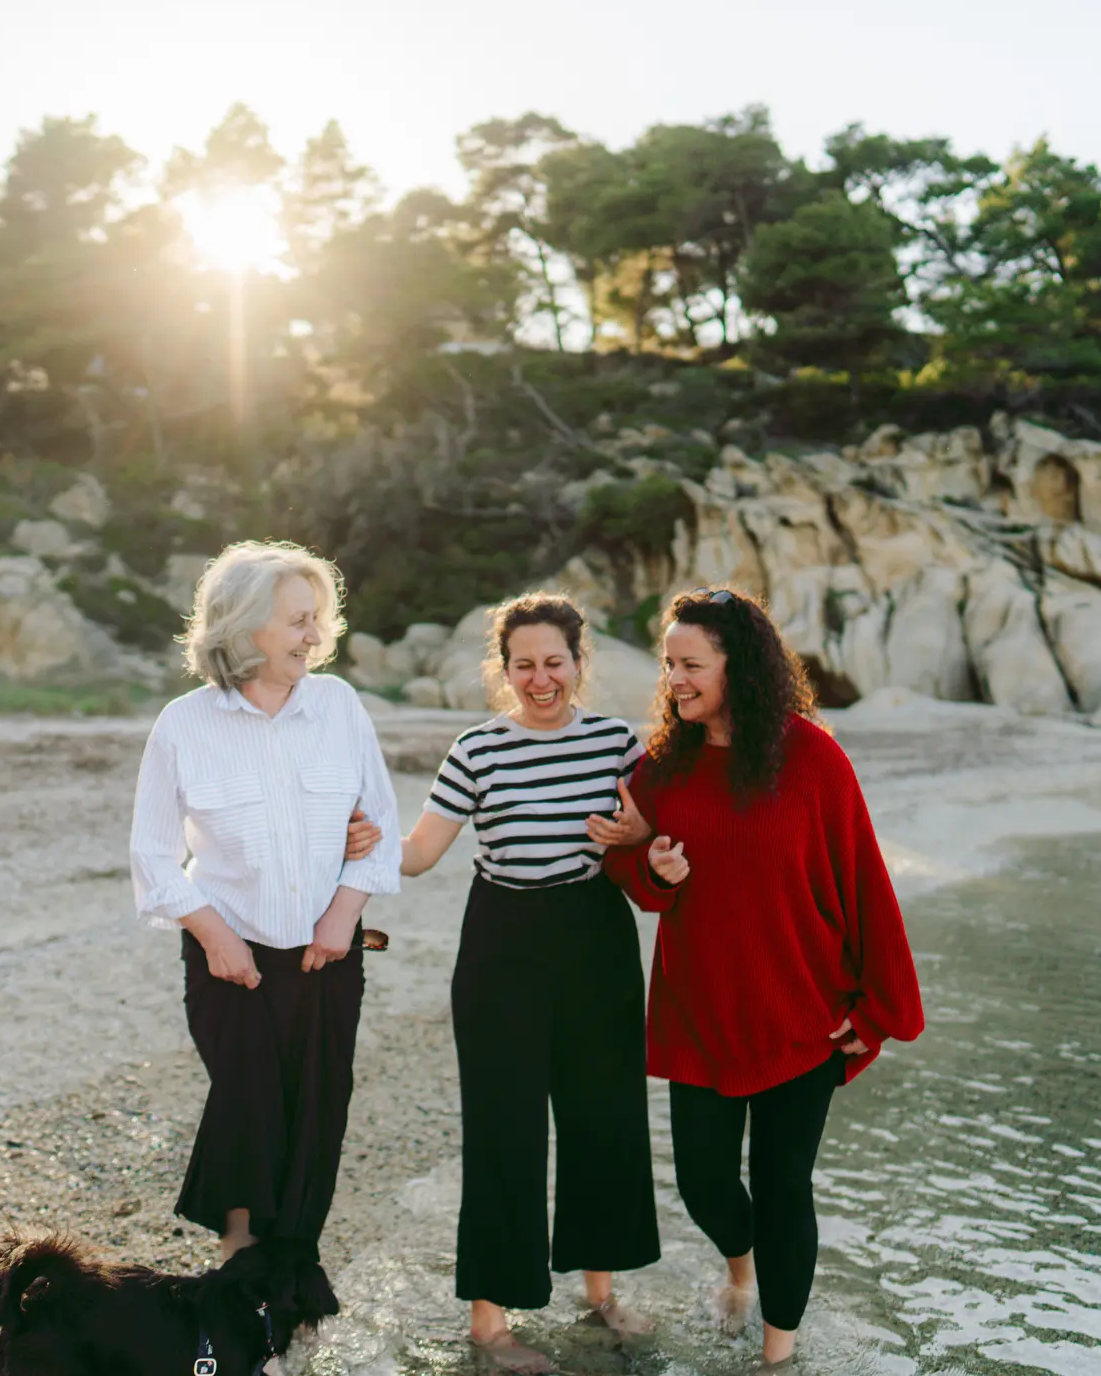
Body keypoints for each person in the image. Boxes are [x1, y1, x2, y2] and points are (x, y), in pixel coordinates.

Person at [600, 587, 923, 1369]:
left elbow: (863, 884)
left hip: (801, 1015)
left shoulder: (813, 758)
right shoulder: (664, 765)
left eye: (690, 664)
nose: (674, 679)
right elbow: (625, 863)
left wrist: (876, 1013)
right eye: (669, 664)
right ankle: (737, 1266)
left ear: (737, 664)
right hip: (698, 1012)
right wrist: (654, 867)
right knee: (704, 1186)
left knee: (784, 1191)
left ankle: (777, 1355)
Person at [399, 593, 661, 1372]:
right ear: (503, 670)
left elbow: (658, 834)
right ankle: (489, 1323)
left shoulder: (618, 745)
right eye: (524, 665)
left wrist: (640, 833)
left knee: (602, 1121)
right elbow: (417, 855)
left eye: (554, 663)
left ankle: (600, 1291)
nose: (540, 679)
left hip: (596, 942)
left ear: (579, 664)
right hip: (501, 947)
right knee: (503, 1131)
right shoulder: (476, 748)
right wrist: (349, 836)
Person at [127, 541, 402, 1260]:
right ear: (245, 626)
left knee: (316, 1121)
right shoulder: (183, 726)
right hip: (229, 960)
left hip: (328, 956)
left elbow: (381, 829)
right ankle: (238, 1274)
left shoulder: (339, 707)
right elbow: (153, 856)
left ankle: (292, 1280)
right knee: (247, 1116)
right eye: (297, 621)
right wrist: (213, 934)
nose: (316, 636)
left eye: (317, 619)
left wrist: (341, 917)